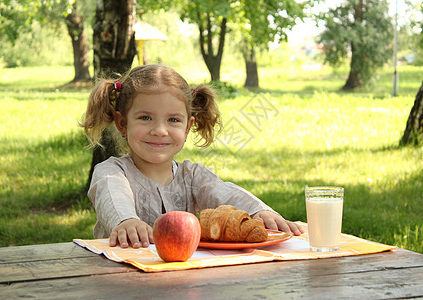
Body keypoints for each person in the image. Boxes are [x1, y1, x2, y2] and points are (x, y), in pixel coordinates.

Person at [80, 64, 303, 249]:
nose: (160, 130)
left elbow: (224, 192)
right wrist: (126, 221)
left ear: (188, 128)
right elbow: (112, 196)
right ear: (122, 124)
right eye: (145, 118)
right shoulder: (112, 172)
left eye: (173, 120)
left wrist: (259, 211)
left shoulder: (192, 176)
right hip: (119, 276)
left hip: (179, 276)